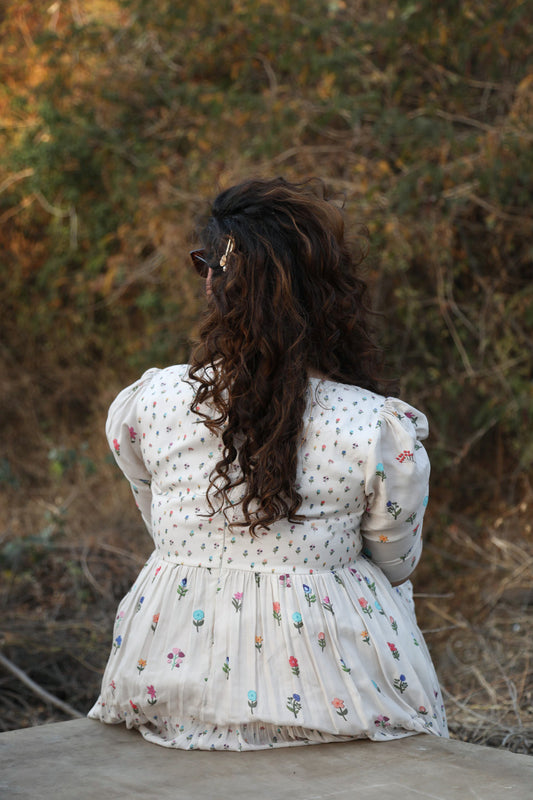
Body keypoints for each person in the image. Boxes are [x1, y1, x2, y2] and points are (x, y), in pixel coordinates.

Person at [88, 177, 448, 750]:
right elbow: (396, 561)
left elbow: (162, 524)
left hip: (169, 690)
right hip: (340, 698)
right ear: (328, 295)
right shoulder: (373, 426)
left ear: (214, 282)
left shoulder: (148, 405)